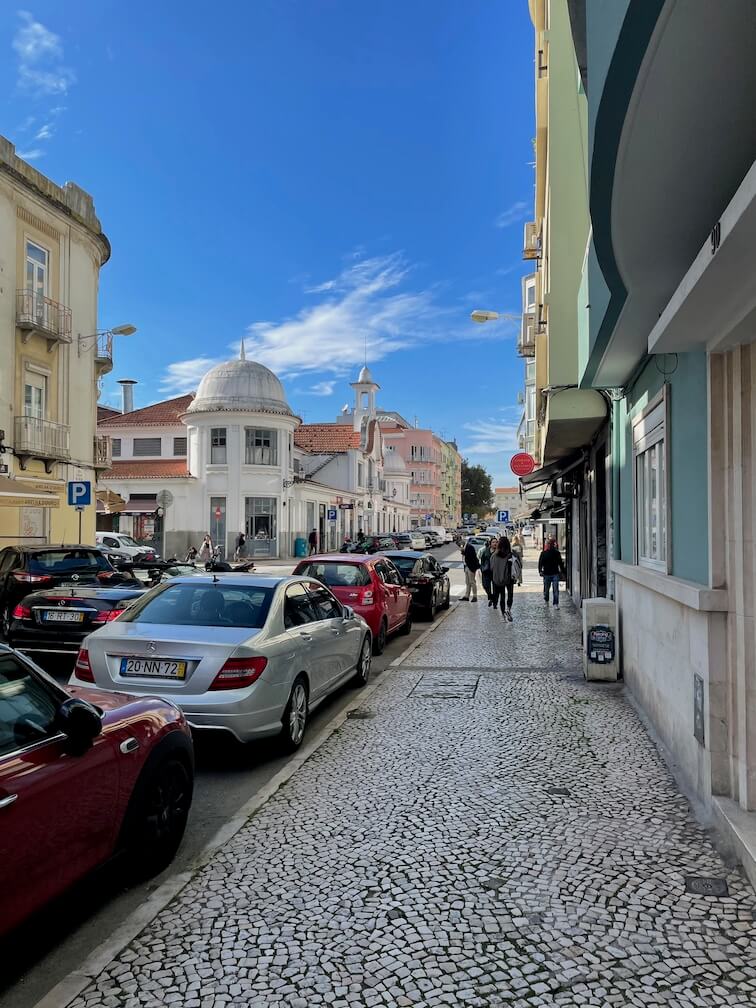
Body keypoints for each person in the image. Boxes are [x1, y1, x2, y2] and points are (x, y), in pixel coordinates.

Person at [490, 537, 516, 621]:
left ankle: (503, 615)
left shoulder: (494, 555)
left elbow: (491, 567)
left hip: (499, 578)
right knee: (510, 594)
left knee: (502, 596)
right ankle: (508, 609)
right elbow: (517, 566)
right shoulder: (510, 555)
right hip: (509, 578)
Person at [538, 537, 566, 607]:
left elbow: (560, 563)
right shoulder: (544, 553)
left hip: (553, 573)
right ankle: (547, 600)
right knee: (548, 590)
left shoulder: (556, 553)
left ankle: (555, 603)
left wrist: (563, 572)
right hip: (548, 574)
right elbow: (540, 563)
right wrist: (540, 571)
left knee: (554, 589)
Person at [461, 537, 480, 601]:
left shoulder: (470, 547)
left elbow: (472, 557)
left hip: (471, 566)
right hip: (466, 566)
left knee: (472, 582)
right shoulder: (463, 547)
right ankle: (467, 596)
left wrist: (464, 552)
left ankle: (475, 596)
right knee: (467, 582)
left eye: (459, 543)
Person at [479, 538, 495, 605]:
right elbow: (481, 560)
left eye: (496, 542)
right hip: (486, 571)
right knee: (485, 585)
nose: (495, 543)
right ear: (490, 544)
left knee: (495, 587)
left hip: (495, 572)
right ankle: (490, 596)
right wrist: (482, 568)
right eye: (493, 542)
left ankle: (494, 601)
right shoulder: (485, 551)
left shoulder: (498, 551)